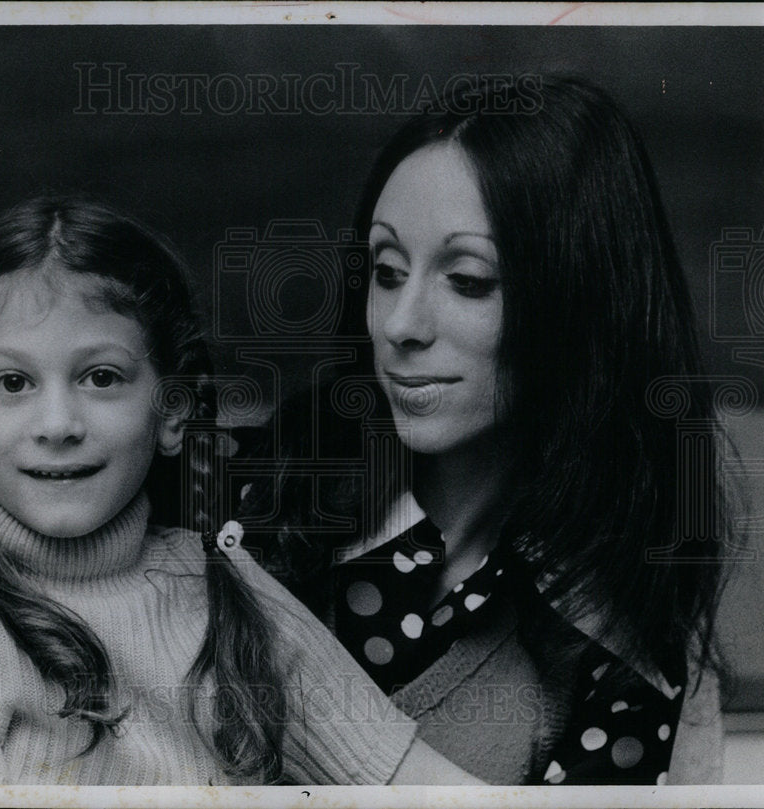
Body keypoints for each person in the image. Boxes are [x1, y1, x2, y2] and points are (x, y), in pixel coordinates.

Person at [0, 196, 481, 785]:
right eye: (12, 383)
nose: (58, 425)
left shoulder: (227, 588)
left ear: (170, 412)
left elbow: (429, 790)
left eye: (102, 376)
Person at [235, 76, 733, 785]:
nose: (401, 325)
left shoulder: (621, 640)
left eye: (467, 281)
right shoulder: (260, 490)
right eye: (385, 270)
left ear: (579, 302)